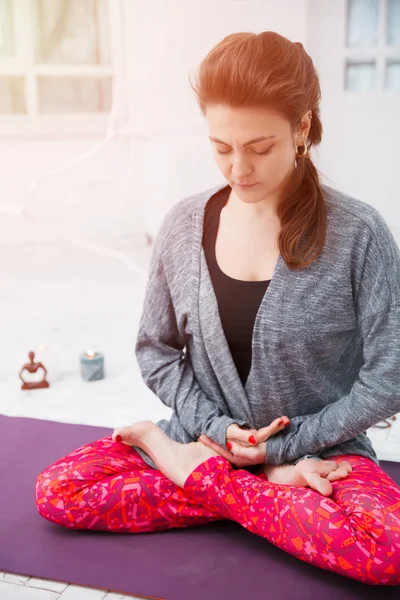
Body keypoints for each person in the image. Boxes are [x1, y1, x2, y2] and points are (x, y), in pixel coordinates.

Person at [35, 31, 400, 586]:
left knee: (387, 548)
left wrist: (283, 447)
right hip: (202, 439)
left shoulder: (360, 234)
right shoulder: (184, 226)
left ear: (301, 128)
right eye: (221, 147)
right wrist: (231, 444)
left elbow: (389, 376)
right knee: (59, 489)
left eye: (259, 148)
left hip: (320, 455)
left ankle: (203, 479)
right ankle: (255, 490)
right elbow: (154, 349)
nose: (238, 169)